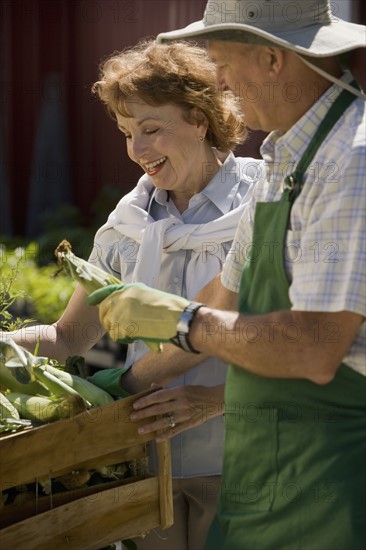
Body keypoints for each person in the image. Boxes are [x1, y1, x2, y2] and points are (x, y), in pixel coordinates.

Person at [88, 2, 366, 549]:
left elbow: (316, 347)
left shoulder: (351, 162)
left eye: (222, 62)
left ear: (270, 59)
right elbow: (226, 300)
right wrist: (108, 393)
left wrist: (184, 320)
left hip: (330, 486)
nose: (217, 82)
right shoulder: (285, 159)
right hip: (260, 480)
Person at [1, 39, 263, 549]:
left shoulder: (265, 203)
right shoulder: (126, 227)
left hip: (252, 461)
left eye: (151, 129)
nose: (137, 151)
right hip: (148, 465)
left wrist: (213, 400)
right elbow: (68, 336)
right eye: (126, 133)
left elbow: (299, 338)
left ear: (198, 118)